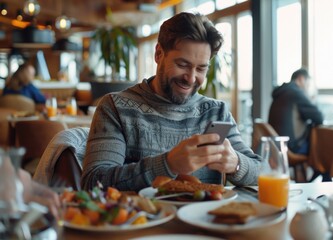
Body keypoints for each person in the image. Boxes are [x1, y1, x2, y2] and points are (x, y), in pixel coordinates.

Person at [81, 12, 262, 192]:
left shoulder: (216, 112)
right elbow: (93, 183)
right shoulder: (115, 107)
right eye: (182, 64)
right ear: (159, 54)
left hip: (205, 219)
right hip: (144, 219)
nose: (191, 78)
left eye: (200, 68)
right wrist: (168, 165)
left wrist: (236, 164)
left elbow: (262, 172)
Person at [268, 68, 324, 155]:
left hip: (276, 145)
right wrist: (312, 100)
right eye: (308, 84)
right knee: (323, 147)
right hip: (292, 147)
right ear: (301, 79)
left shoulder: (281, 93)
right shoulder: (296, 93)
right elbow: (319, 117)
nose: (307, 88)